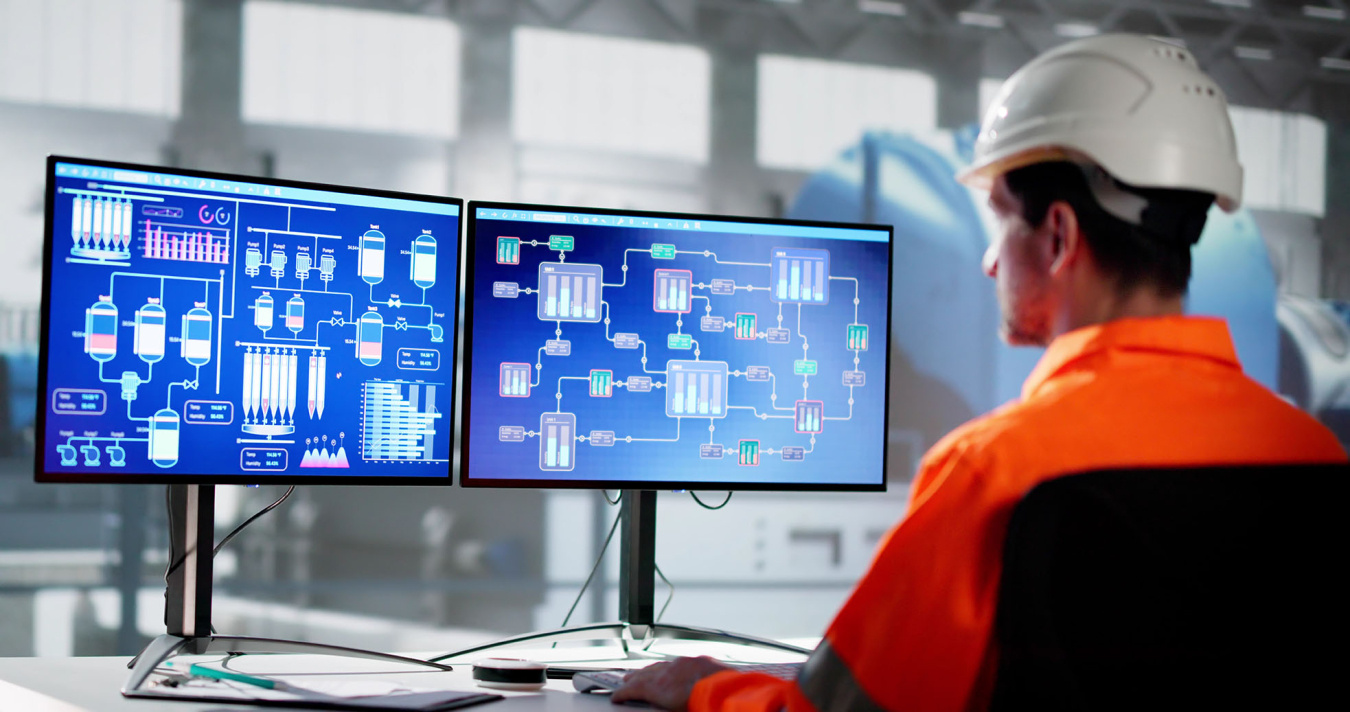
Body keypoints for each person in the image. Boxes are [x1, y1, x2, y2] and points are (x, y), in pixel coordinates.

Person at [611, 33, 1348, 712]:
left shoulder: (994, 469)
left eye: (1001, 220)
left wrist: (705, 687)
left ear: (1058, 234)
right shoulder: (1316, 454)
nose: (991, 259)